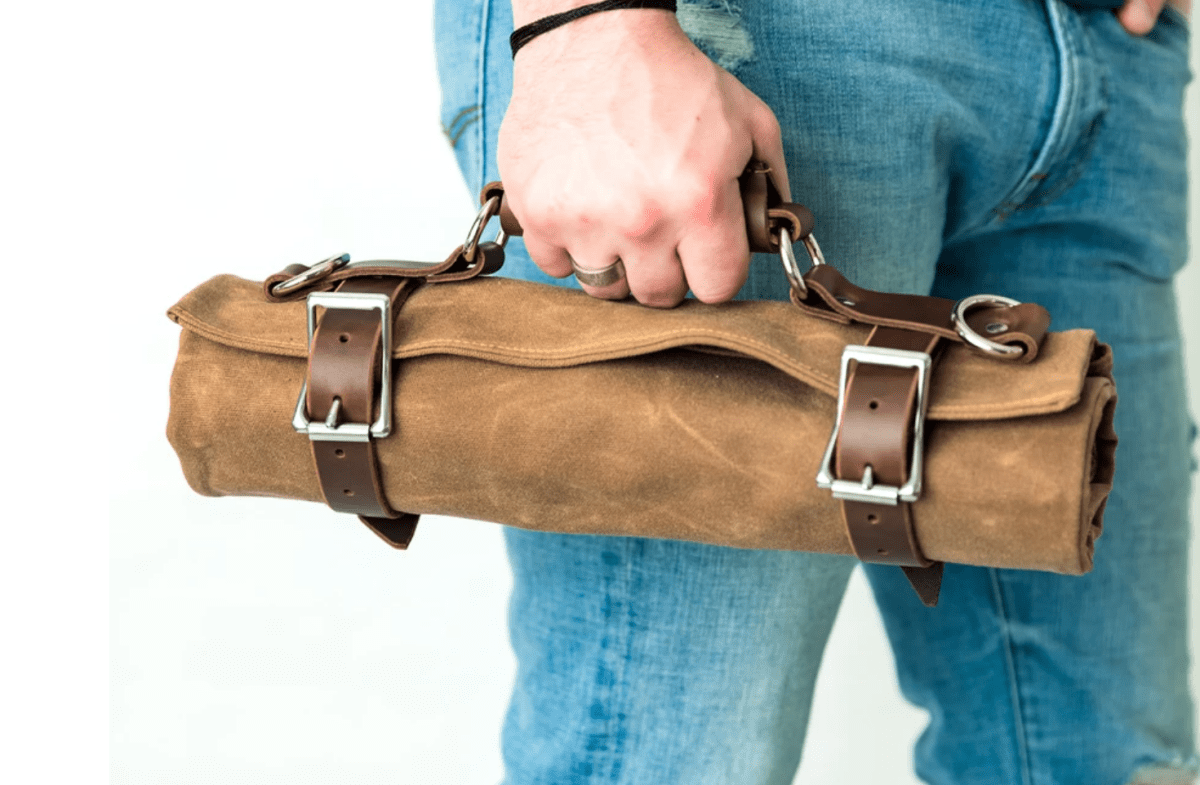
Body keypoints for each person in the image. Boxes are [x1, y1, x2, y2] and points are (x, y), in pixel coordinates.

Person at [433, 0, 1197, 782]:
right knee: (671, 754)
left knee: (1103, 757)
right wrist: (590, 30)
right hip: (744, 40)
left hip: (1103, 62)